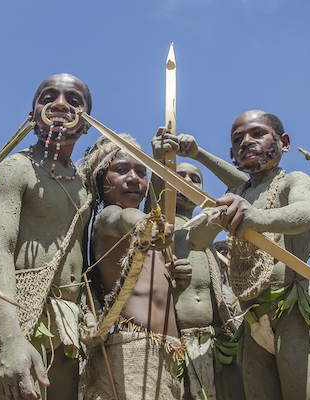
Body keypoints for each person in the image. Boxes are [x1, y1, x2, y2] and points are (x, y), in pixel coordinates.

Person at [187, 110, 310, 399]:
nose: (246, 142)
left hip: (291, 315)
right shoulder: (238, 194)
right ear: (232, 153)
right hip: (251, 323)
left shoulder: (293, 181)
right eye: (238, 139)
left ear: (284, 143)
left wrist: (255, 218)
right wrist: (215, 220)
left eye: (257, 134)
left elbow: (306, 214)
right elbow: (195, 239)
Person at [0, 73, 92, 400]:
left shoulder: (84, 185)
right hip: (21, 317)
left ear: (87, 124)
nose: (59, 104)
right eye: (48, 97)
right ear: (32, 116)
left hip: (68, 327)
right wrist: (11, 340)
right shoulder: (18, 168)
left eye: (73, 100)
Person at [79, 135, 191, 400]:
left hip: (171, 353)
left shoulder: (153, 231)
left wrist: (180, 279)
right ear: (99, 179)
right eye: (120, 170)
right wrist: (145, 226)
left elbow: (159, 198)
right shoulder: (108, 218)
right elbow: (125, 219)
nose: (133, 178)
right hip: (130, 352)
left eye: (141, 172)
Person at [147, 148, 245, 399]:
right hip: (177, 344)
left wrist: (199, 153)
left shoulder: (207, 225)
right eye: (180, 177)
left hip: (218, 340)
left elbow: (241, 185)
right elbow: (155, 200)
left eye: (194, 179)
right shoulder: (160, 225)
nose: (187, 182)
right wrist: (160, 159)